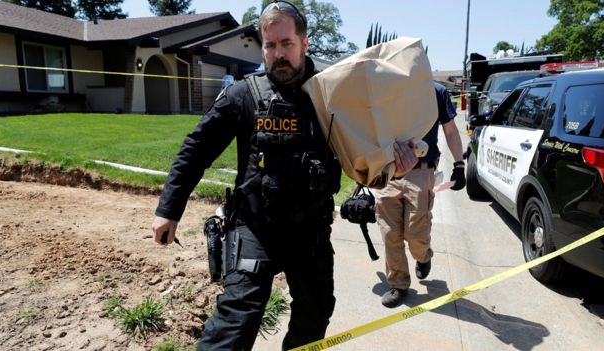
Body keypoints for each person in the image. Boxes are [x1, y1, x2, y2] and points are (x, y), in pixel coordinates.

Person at [150, 1, 419, 349]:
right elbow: (196, 148)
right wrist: (169, 209)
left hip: (311, 232)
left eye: (286, 43)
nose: (278, 53)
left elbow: (364, 159)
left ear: (304, 43)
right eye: (270, 45)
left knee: (316, 312)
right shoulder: (242, 95)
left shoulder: (332, 96)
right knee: (234, 324)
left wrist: (393, 168)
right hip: (255, 228)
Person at [375, 82, 466, 308]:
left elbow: (451, 130)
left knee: (416, 232)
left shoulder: (436, 92)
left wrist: (459, 165)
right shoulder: (384, 89)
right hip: (388, 170)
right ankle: (399, 284)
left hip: (421, 171)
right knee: (390, 233)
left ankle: (423, 255)